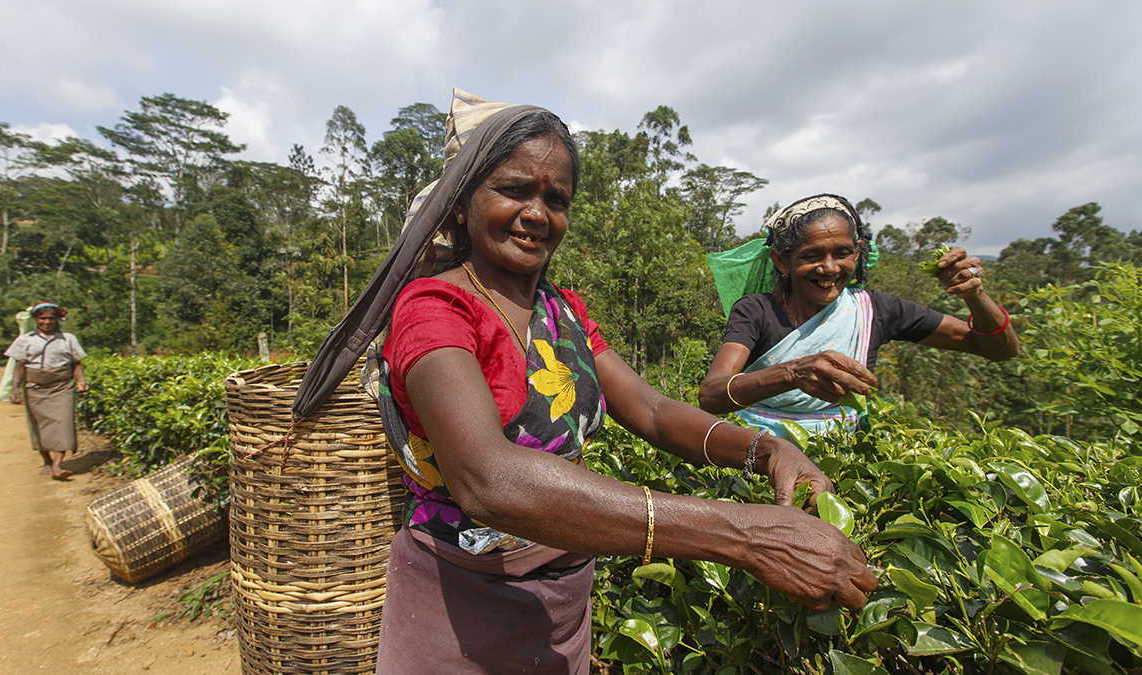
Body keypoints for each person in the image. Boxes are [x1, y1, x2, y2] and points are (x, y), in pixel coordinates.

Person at [326, 92, 877, 675]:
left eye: (555, 199)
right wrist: (742, 535)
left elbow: (654, 412)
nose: (538, 214)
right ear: (461, 204)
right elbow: (487, 479)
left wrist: (766, 450)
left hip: (562, 602)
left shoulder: (561, 312)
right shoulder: (434, 307)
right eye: (514, 190)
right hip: (459, 603)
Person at [698, 194, 1020, 441]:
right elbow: (711, 394)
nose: (829, 268)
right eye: (811, 256)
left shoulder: (874, 311)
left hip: (842, 460)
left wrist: (973, 296)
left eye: (842, 253)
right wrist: (792, 373)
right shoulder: (757, 310)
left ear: (858, 252)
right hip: (755, 456)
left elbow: (999, 349)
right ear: (782, 262)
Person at [5, 301, 89, 480]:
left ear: (57, 319)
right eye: (42, 318)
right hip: (35, 389)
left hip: (62, 387)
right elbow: (19, 366)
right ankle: (47, 461)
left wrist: (80, 380)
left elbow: (76, 363)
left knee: (64, 424)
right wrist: (15, 388)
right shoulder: (25, 340)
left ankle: (58, 465)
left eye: (51, 318)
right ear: (35, 319)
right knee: (39, 427)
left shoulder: (68, 339)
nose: (47, 322)